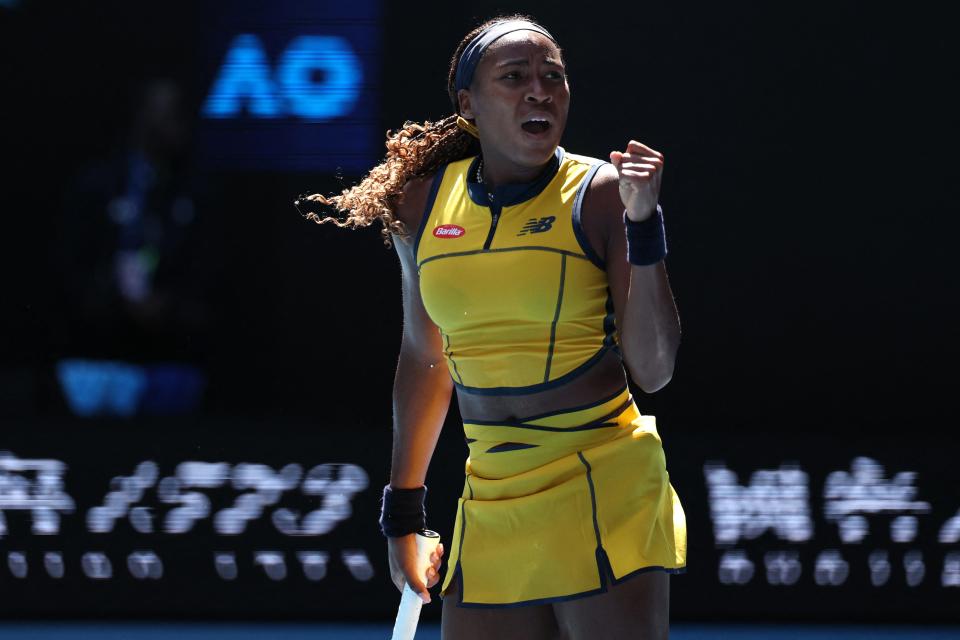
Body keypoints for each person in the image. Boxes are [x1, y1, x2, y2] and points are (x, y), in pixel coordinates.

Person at [297, 14, 686, 639]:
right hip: (491, 492)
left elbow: (654, 369)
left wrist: (646, 227)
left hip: (603, 480)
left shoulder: (605, 193)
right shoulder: (419, 202)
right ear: (468, 104)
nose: (541, 91)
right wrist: (404, 513)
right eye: (515, 77)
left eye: (553, 77)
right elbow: (426, 357)